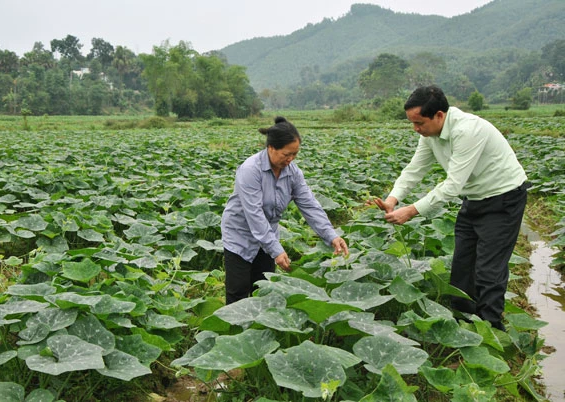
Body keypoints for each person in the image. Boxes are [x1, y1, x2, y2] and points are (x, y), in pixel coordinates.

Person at [371, 85, 528, 331]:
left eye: (419, 122)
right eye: (412, 123)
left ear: (439, 116)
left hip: (503, 199)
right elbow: (415, 169)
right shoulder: (430, 135)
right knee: (462, 266)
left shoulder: (467, 131)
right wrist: (393, 199)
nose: (416, 129)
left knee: (489, 270)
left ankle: (492, 330)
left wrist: (411, 210)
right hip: (474, 200)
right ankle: (463, 325)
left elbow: (453, 184)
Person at [221, 116, 349, 304]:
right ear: (271, 148)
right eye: (286, 154)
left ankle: (261, 331)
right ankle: (233, 330)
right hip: (240, 235)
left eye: (294, 154)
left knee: (263, 288)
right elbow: (254, 215)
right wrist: (276, 250)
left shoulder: (293, 172)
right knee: (238, 290)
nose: (290, 160)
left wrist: (331, 235)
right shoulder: (250, 170)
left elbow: (310, 205)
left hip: (268, 235)